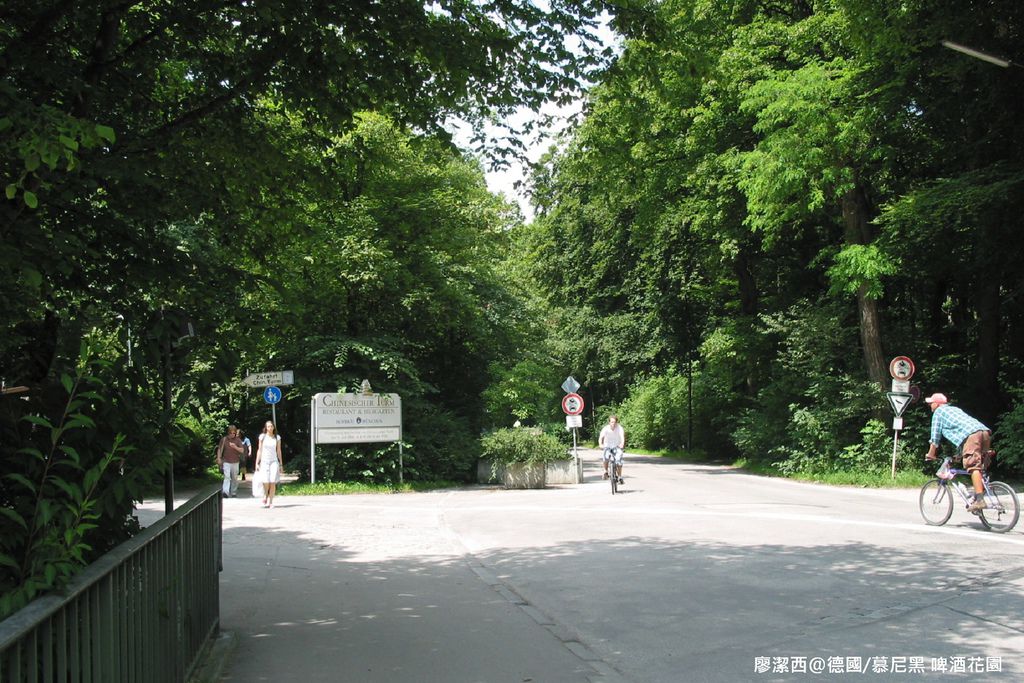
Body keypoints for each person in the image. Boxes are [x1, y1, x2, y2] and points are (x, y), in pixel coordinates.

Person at [923, 393, 993, 513]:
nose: (930, 405)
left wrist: (931, 454)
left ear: (938, 404)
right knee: (981, 466)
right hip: (984, 432)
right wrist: (959, 455)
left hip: (972, 435)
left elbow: (935, 437)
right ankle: (981, 492)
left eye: (931, 403)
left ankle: (980, 500)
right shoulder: (954, 409)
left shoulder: (938, 412)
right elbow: (963, 434)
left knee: (973, 466)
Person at [255, 420, 284, 508]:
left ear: (273, 427)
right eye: (268, 426)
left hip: (274, 461)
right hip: (264, 461)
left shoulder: (277, 437)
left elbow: (278, 450)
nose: (270, 428)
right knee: (266, 481)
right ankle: (265, 494)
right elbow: (259, 450)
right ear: (266, 428)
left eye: (271, 426)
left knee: (272, 481)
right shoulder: (262, 437)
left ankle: (271, 502)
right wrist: (257, 463)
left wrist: (281, 464)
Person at [215, 425, 245, 498]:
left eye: (234, 433)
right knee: (227, 476)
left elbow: (242, 450)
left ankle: (233, 492)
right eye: (231, 433)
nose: (232, 434)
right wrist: (219, 458)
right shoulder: (224, 439)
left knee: (234, 477)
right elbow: (219, 449)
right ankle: (225, 492)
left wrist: (235, 447)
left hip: (235, 461)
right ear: (228, 432)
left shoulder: (238, 440)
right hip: (226, 461)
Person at [599, 415, 626, 484]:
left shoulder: (619, 428)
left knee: (618, 461)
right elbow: (601, 437)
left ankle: (619, 477)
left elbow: (622, 437)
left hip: (617, 446)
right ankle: (605, 471)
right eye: (612, 422)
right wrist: (600, 444)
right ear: (609, 422)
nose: (613, 423)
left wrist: (622, 444)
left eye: (614, 422)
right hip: (607, 446)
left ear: (616, 422)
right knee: (606, 457)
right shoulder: (606, 428)